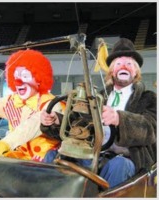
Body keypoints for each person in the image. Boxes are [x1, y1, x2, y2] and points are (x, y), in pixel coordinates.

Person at [41, 38, 156, 189]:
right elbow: (80, 123)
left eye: (129, 64)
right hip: (94, 155)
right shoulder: (98, 97)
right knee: (52, 156)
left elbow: (151, 129)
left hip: (129, 159)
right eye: (119, 64)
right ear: (112, 71)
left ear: (135, 71)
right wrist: (56, 120)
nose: (124, 67)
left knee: (119, 165)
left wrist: (119, 119)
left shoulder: (148, 98)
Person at [0, 49, 63, 161]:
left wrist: (6, 143)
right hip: (18, 159)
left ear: (39, 79)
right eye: (15, 77)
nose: (18, 82)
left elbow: (32, 125)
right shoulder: (11, 102)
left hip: (46, 161)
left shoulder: (51, 103)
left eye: (25, 76)